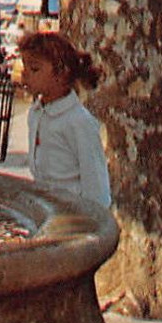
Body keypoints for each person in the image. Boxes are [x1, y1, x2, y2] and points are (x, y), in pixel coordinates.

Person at [16, 30, 112, 207]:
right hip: (46, 209)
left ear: (61, 74)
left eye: (35, 69)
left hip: (74, 216)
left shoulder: (78, 121)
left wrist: (92, 223)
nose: (25, 74)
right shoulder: (36, 113)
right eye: (25, 67)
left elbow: (97, 185)